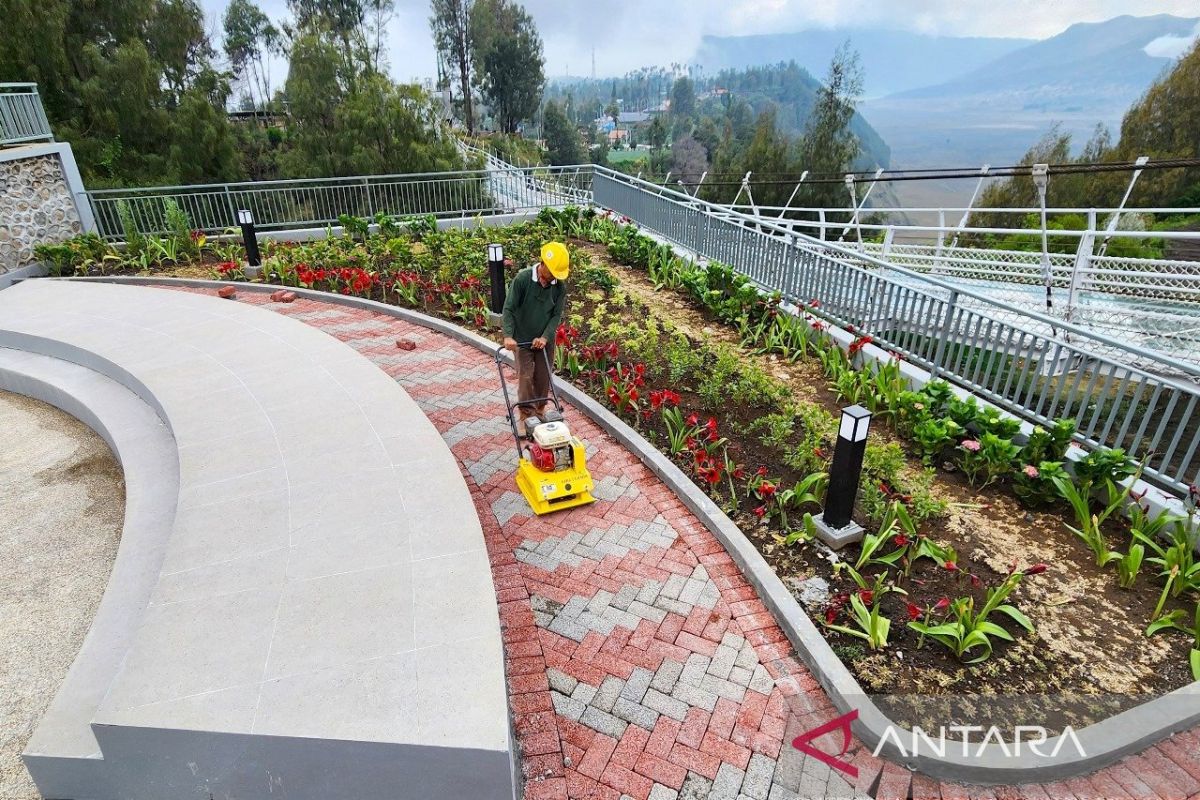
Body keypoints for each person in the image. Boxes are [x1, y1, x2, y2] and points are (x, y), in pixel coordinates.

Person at [502, 241, 569, 428]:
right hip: (522, 339)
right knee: (525, 377)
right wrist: (508, 335)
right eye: (552, 271)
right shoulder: (523, 279)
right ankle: (525, 416)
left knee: (543, 376)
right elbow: (508, 308)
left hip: (544, 340)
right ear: (543, 263)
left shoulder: (559, 287)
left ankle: (539, 411)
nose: (555, 276)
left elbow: (556, 316)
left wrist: (545, 337)